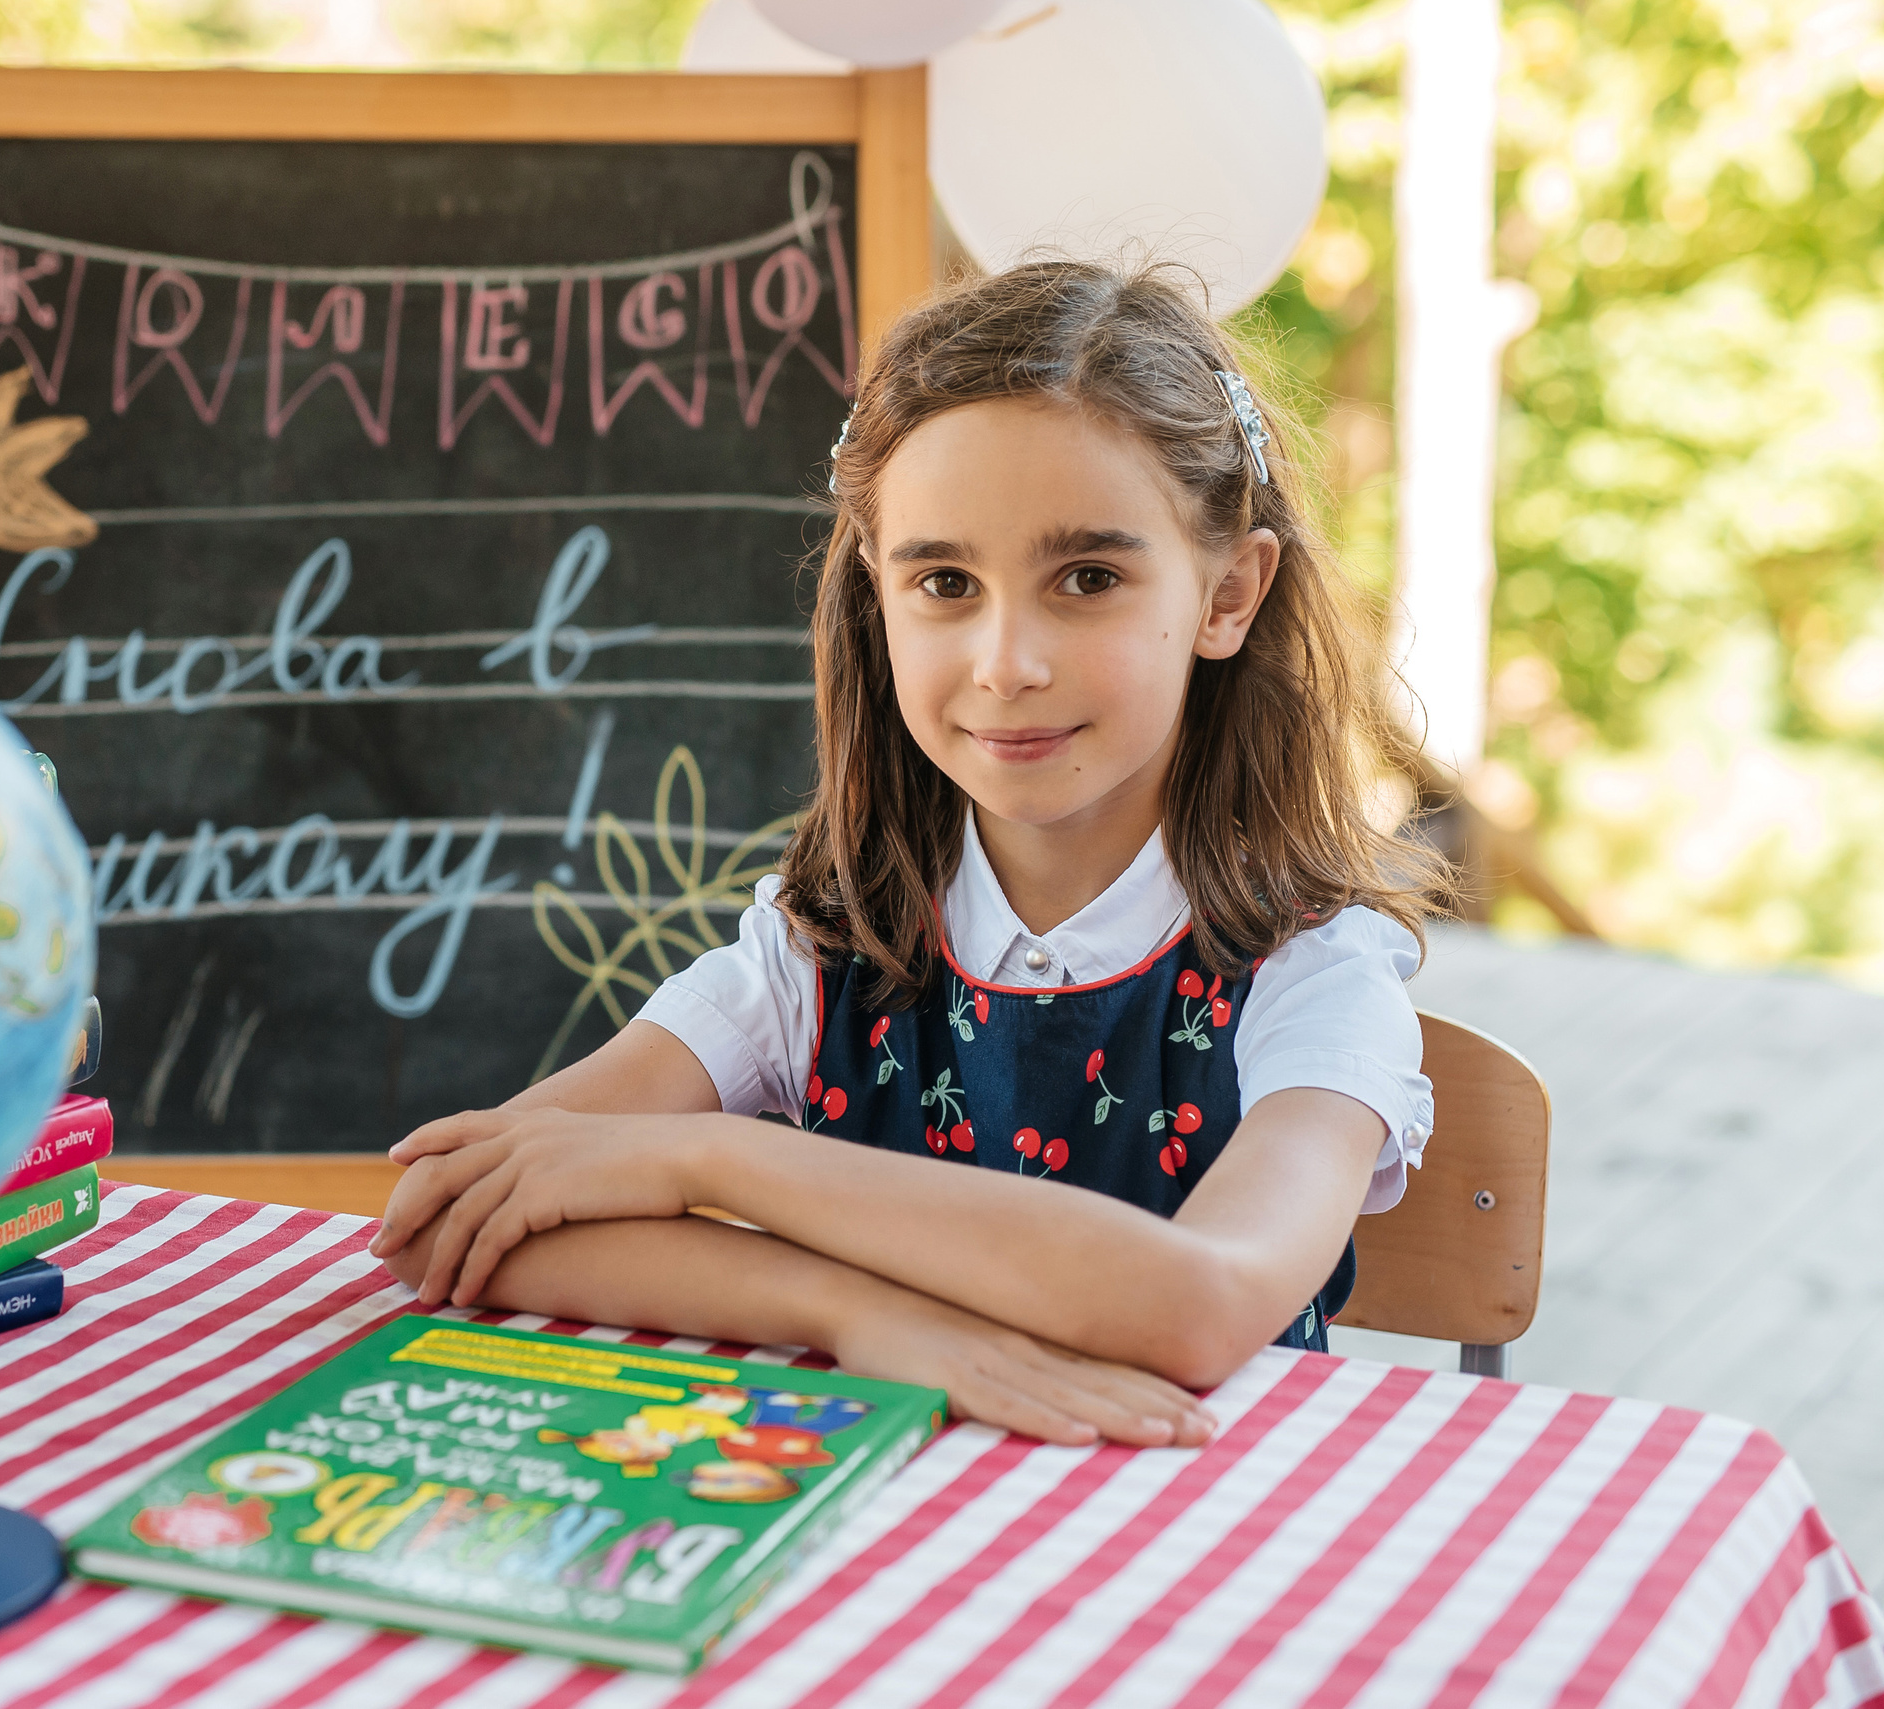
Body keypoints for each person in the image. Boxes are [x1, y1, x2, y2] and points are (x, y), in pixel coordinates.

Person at [369, 260, 1441, 1451]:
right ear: (877, 595)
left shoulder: (1314, 971)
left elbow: (1198, 1301)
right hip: (863, 1529)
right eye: (943, 581)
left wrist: (708, 1159)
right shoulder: (827, 944)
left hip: (1191, 1533)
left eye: (1087, 578)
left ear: (1227, 594)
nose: (1006, 661)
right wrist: (857, 1312)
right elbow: (453, 1216)